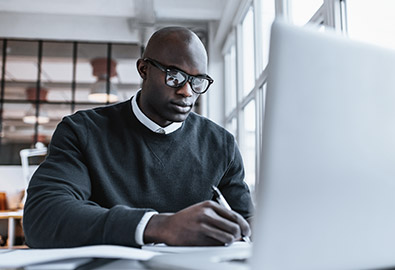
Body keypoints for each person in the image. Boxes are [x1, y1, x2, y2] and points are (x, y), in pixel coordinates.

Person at [23, 26, 253, 248]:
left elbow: (247, 227)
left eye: (198, 81)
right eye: (174, 77)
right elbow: (43, 217)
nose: (187, 91)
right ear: (144, 69)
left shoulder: (221, 145)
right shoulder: (83, 131)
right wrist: (158, 226)